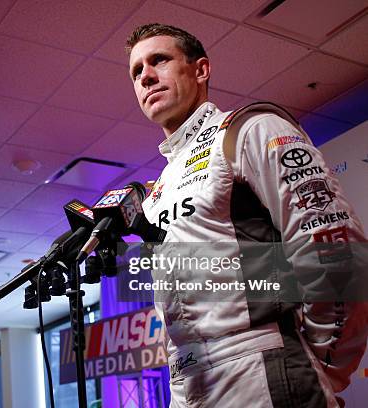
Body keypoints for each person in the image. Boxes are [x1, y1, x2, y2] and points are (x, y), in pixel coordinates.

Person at [126, 23, 367, 407]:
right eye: (136, 71)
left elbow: (334, 249)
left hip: (265, 374)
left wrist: (323, 368)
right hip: (189, 384)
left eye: (159, 60)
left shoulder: (249, 129)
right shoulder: (161, 186)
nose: (146, 76)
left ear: (201, 70)